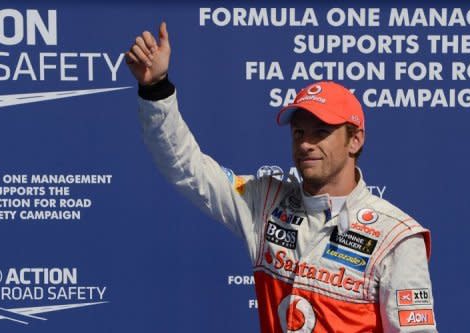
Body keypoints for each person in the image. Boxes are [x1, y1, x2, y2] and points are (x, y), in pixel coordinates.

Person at [125, 22, 437, 333]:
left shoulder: (395, 237)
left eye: (321, 133)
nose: (305, 143)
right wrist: (156, 90)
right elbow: (186, 168)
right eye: (299, 132)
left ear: (354, 140)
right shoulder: (266, 202)